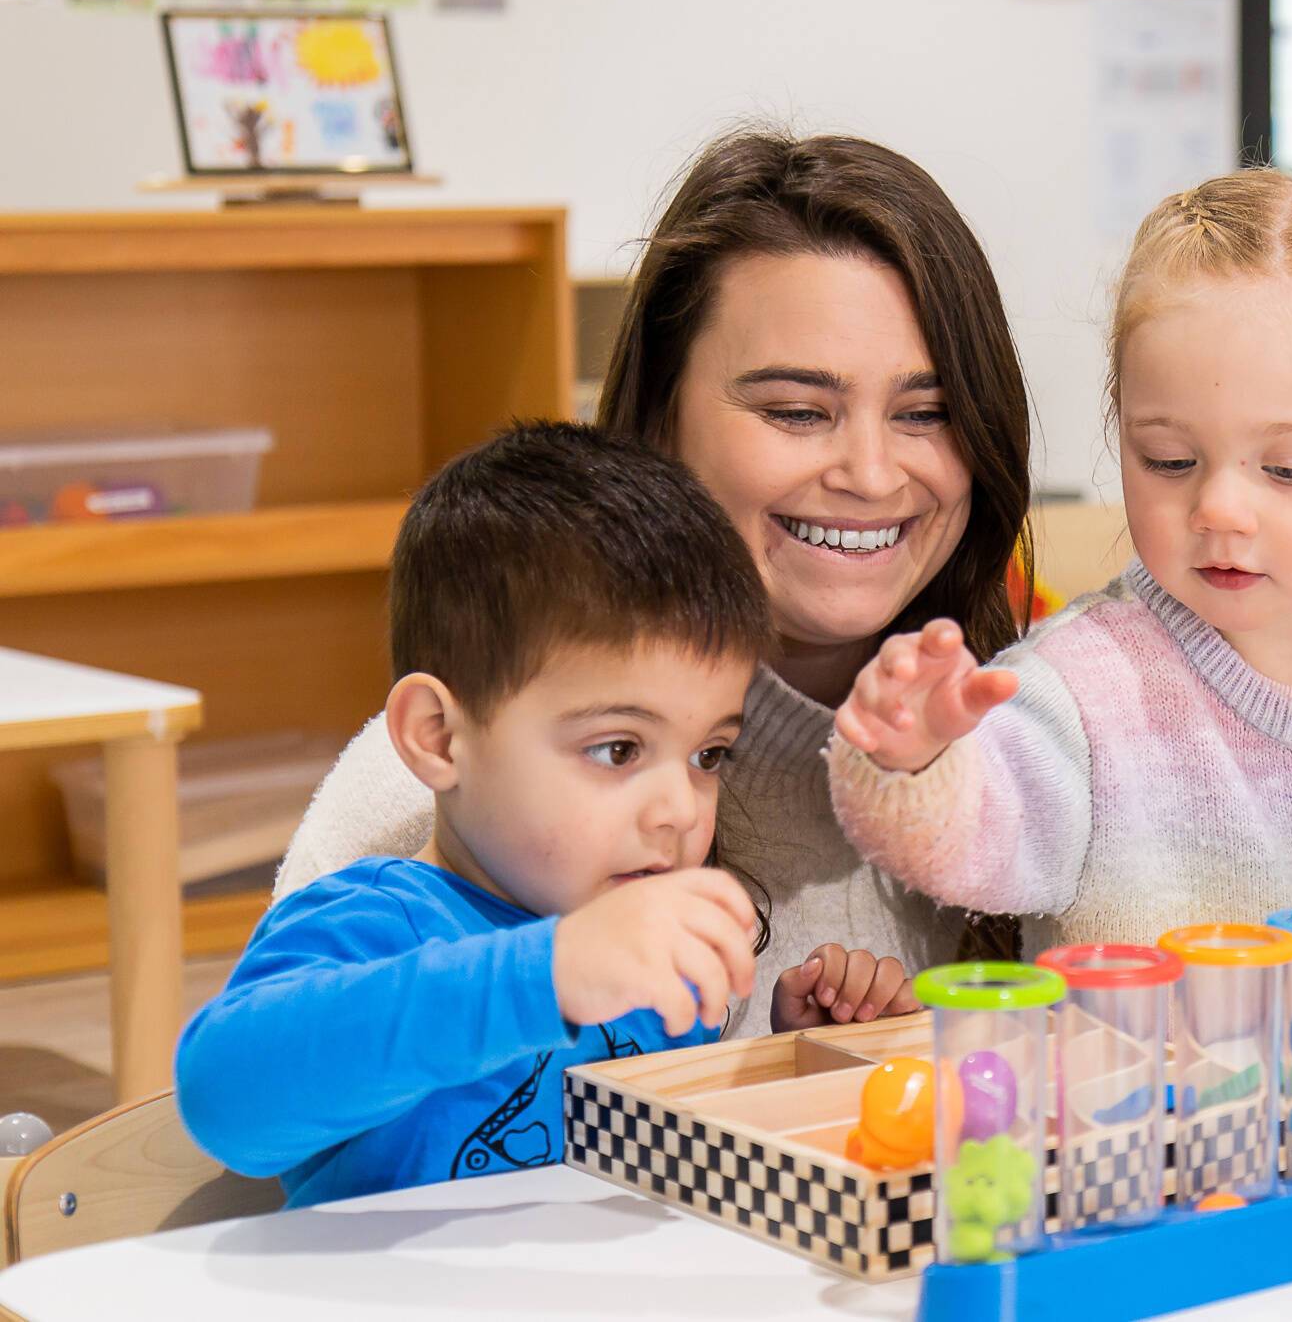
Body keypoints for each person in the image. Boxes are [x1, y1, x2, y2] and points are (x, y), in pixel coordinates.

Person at [274, 130, 1037, 1034]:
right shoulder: (482, 761)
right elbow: (258, 1099)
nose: (871, 473)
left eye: (927, 413)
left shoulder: (1033, 745)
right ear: (660, 420)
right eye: (797, 411)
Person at [828, 170, 1292, 952]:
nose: (1218, 507)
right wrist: (914, 762)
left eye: (1287, 468)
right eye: (1169, 460)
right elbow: (982, 826)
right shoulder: (1092, 683)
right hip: (1148, 1074)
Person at [178, 424, 812, 1205]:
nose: (680, 809)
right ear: (438, 736)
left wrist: (788, 1055)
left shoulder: (648, 955)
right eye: (617, 749)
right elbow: (222, 1097)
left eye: (709, 755)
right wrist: (544, 974)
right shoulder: (384, 925)